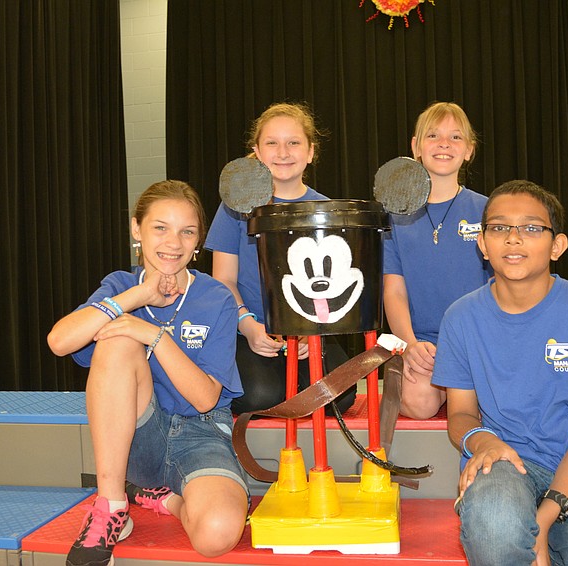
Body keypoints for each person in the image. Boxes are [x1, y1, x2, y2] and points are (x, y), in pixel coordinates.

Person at [432, 180, 568, 565]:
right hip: (502, 464)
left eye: (531, 228)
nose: (513, 239)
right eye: (499, 227)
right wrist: (483, 442)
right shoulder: (460, 317)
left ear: (557, 245)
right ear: (482, 243)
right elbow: (460, 414)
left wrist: (542, 522)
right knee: (495, 528)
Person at [47, 180, 249, 566]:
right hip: (138, 438)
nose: (174, 242)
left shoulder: (216, 297)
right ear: (136, 229)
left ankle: (163, 498)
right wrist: (136, 299)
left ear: (198, 241)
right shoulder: (121, 286)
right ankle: (111, 507)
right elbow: (60, 341)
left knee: (217, 535)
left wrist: (154, 334)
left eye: (187, 231)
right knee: (118, 340)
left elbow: (205, 398)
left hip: (201, 432)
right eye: (160, 227)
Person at [204, 101, 355, 415]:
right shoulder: (236, 204)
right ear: (257, 151)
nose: (283, 152)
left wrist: (311, 332)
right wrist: (248, 327)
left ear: (311, 152)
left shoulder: (327, 210)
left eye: (293, 143)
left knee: (340, 398)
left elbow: (336, 289)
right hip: (251, 330)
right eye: (272, 143)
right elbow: (224, 281)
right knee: (259, 396)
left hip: (310, 333)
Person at [382, 101, 490, 420]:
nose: (444, 144)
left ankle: (456, 388)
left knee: (501, 406)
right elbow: (394, 292)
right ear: (416, 147)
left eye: (456, 137)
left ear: (469, 149)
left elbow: (502, 289)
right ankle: (436, 387)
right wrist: (410, 345)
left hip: (476, 343)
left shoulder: (490, 211)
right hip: (421, 344)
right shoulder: (393, 216)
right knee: (419, 404)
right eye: (433, 135)